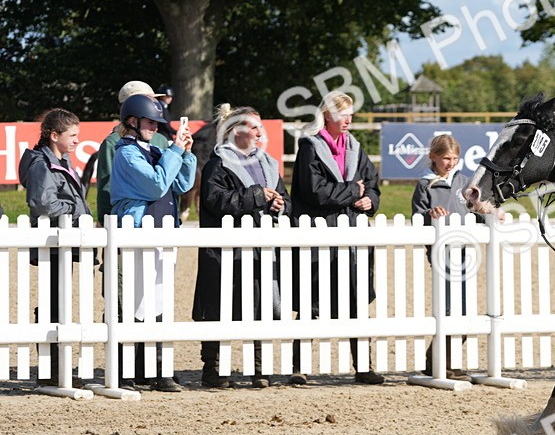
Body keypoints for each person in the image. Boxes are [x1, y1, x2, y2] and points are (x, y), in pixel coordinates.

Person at [290, 91, 384, 385]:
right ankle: (299, 367)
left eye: (350, 114)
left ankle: (363, 366)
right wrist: (354, 192)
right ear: (327, 116)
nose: (348, 119)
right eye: (343, 114)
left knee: (357, 301)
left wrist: (370, 199)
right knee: (311, 302)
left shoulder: (355, 147)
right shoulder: (310, 148)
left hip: (352, 234)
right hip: (320, 234)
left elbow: (372, 182)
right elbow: (315, 192)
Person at [193, 105, 289, 389]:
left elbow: (285, 198)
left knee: (259, 306)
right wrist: (258, 195)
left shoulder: (268, 164)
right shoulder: (218, 164)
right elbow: (216, 200)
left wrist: (280, 204)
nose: (261, 133)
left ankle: (259, 368)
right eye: (254, 127)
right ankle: (212, 369)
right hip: (226, 251)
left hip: (260, 248)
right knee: (219, 307)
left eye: (261, 128)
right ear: (236, 131)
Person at [110, 93, 196, 391]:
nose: (155, 127)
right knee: (135, 302)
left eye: (158, 123)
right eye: (150, 122)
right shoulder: (127, 154)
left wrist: (185, 152)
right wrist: (173, 152)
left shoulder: (156, 151)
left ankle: (156, 368)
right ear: (132, 122)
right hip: (137, 233)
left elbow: (183, 184)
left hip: (162, 233)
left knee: (159, 302)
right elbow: (156, 185)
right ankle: (124, 371)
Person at [18, 109, 92, 387]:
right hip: (52, 244)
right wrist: (76, 209)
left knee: (59, 304)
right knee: (52, 306)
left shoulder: (61, 161)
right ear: (54, 136)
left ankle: (56, 367)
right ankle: (50, 369)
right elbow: (43, 204)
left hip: (63, 242)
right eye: (72, 136)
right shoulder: (42, 164)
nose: (76, 141)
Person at [411, 134, 471, 379]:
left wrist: (490, 212)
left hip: (465, 251)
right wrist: (429, 213)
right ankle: (436, 361)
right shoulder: (425, 185)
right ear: (433, 157)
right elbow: (416, 216)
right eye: (446, 158)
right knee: (447, 307)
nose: (451, 162)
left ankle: (447, 360)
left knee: (463, 309)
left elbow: (476, 208)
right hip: (439, 253)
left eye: (455, 158)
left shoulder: (465, 182)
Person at [89, 81, 169, 218]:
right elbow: (107, 185)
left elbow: (106, 186)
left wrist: (105, 218)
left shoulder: (160, 140)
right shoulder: (113, 142)